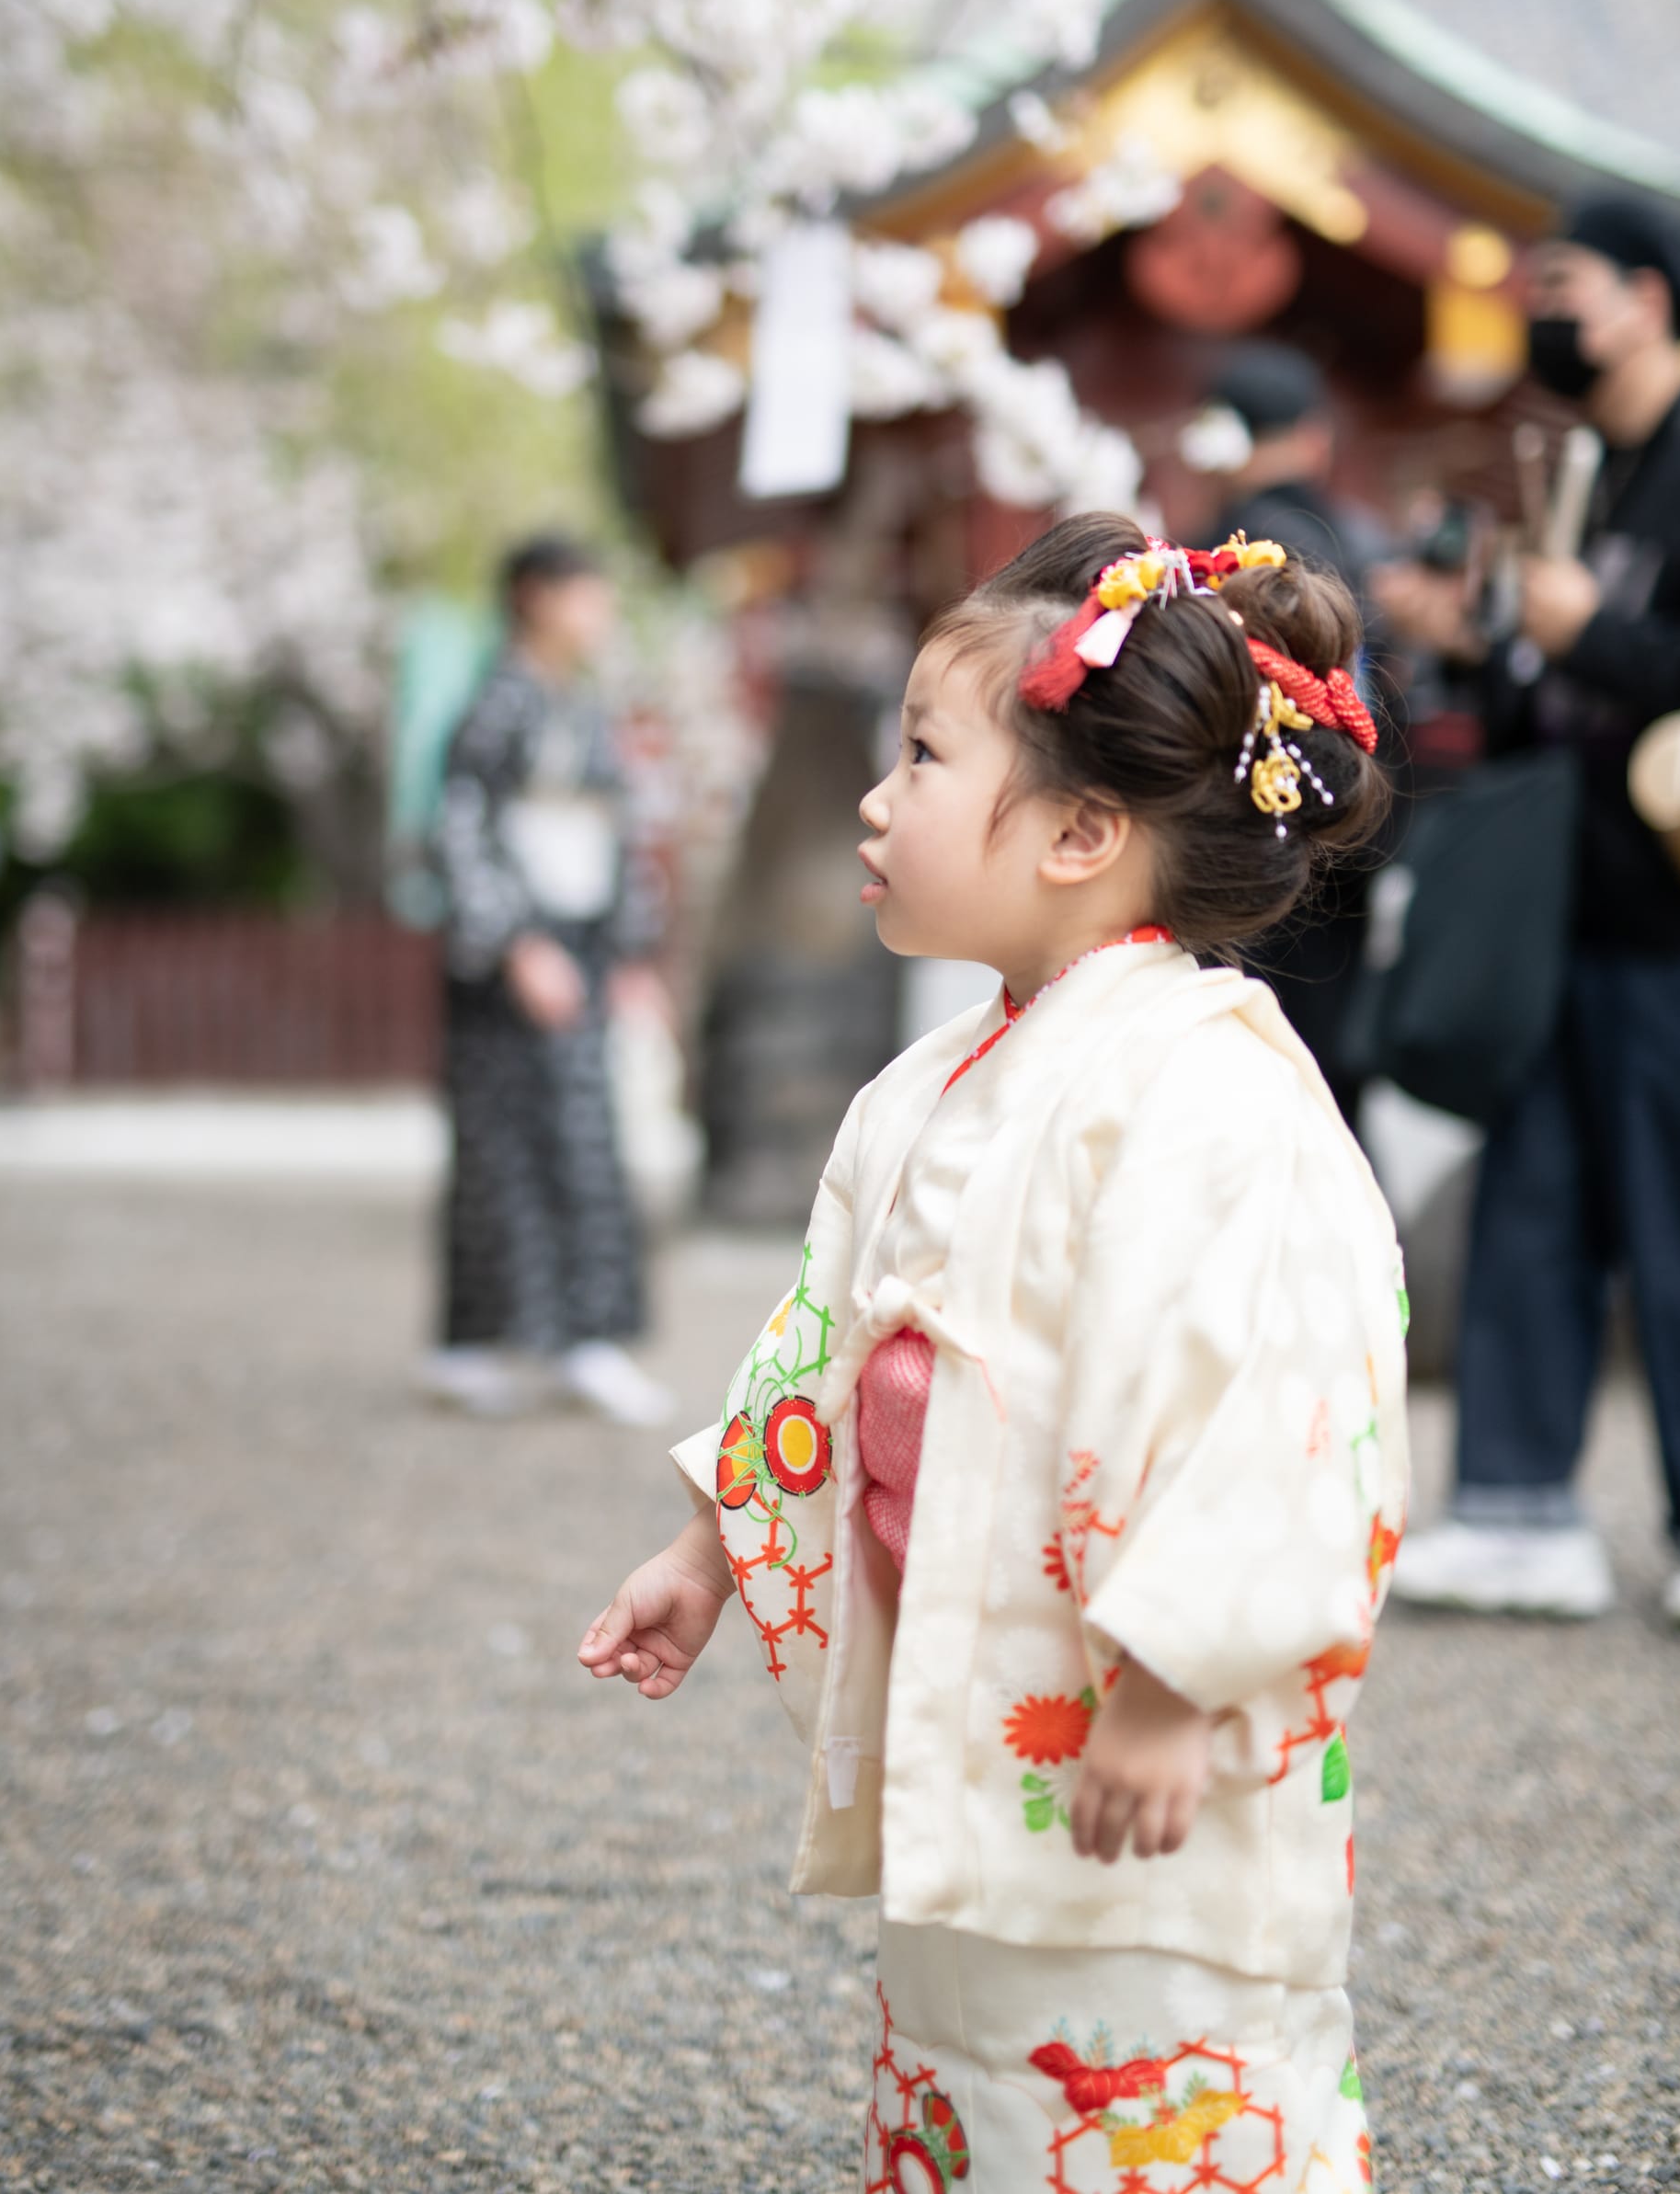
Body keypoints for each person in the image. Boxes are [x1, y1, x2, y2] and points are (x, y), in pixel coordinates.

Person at [580, 517, 1407, 2193]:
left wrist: (1178, 1683)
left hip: (1134, 1733)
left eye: (924, 757)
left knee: (1157, 2076)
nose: (879, 803)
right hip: (1002, 1720)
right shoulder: (938, 1077)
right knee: (976, 2065)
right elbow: (821, 1337)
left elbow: (1289, 1412)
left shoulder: (1219, 1093)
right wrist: (714, 1546)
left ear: (1084, 831)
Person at [1377, 194, 1680, 1628]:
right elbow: (1546, 701)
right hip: (1570, 904)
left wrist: (1588, 632)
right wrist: (1482, 650)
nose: (1541, 306)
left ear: (1646, 296)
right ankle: (1515, 1508)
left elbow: (1627, 654)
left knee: (1674, 1218)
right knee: (1535, 1203)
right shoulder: (1595, 471)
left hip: (1668, 923)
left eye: (1564, 282)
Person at [423, 536, 672, 1424]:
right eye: (585, 592)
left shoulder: (579, 704)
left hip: (581, 942)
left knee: (578, 1133)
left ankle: (572, 1336)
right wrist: (517, 941)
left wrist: (633, 951)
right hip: (518, 954)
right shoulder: (495, 706)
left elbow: (619, 830)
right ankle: (502, 1338)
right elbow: (459, 829)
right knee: (509, 1144)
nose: (599, 611)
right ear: (534, 596)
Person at [1180, 342, 1382, 1121]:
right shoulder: (1341, 537)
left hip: (1228, 838)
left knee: (1231, 1068)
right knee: (1318, 1074)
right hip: (1332, 831)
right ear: (1314, 437)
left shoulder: (1216, 547)